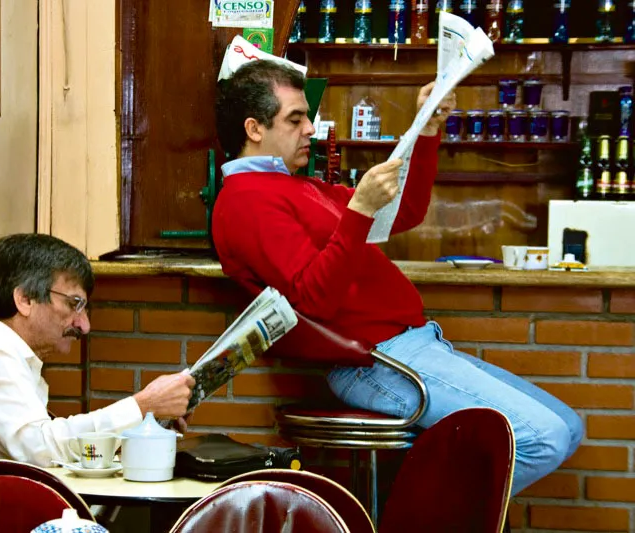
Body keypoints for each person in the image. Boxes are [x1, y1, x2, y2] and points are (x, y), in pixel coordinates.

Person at [211, 60, 582, 495]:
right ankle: (420, 516)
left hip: (413, 345)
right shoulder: (245, 201)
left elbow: (402, 213)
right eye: (296, 118)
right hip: (374, 361)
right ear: (254, 129)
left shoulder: (298, 185)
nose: (310, 128)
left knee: (568, 427)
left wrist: (425, 132)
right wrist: (359, 210)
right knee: (543, 438)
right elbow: (313, 299)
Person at [0, 233, 195, 480]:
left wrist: (145, 426)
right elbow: (42, 450)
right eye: (74, 304)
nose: (84, 325)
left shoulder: (6, 354)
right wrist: (142, 406)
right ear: (25, 299)